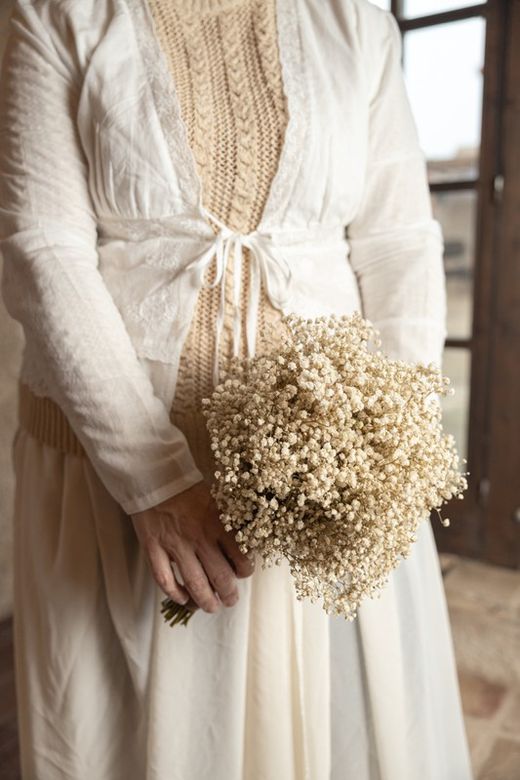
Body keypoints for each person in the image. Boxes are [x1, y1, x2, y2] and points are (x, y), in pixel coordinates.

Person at [0, 0, 474, 778]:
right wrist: (153, 480)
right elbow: (42, 247)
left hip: (325, 475)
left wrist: (387, 447)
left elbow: (400, 242)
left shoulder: (353, 20)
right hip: (112, 472)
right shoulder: (57, 13)